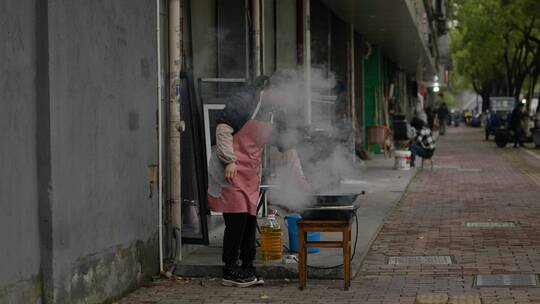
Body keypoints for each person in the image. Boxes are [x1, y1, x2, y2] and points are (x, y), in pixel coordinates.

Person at [207, 75, 306, 288]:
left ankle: (248, 267)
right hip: (229, 170)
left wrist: (301, 180)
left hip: (249, 174)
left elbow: (288, 147)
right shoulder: (245, 100)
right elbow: (223, 129)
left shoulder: (275, 113)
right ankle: (230, 269)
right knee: (237, 221)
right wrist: (230, 161)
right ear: (268, 89)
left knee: (250, 221)